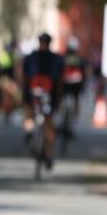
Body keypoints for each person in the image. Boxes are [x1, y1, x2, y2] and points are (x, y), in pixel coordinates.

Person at [22, 33, 64, 166]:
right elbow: (60, 81)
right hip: (49, 95)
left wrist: (24, 94)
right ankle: (48, 154)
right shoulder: (56, 59)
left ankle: (30, 133)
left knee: (30, 116)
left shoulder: (30, 58)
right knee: (49, 123)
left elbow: (24, 77)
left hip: (33, 93)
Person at [61, 37, 86, 128]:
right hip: (75, 83)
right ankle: (74, 119)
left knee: (65, 100)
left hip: (68, 83)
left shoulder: (64, 57)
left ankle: (66, 117)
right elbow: (84, 73)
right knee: (75, 100)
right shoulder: (79, 58)